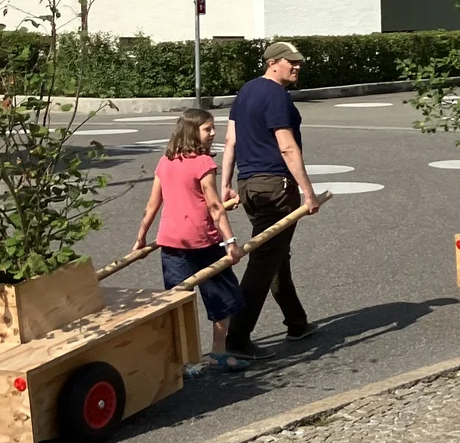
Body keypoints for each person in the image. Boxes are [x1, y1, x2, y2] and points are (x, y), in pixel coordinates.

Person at [220, 41, 321, 356]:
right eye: (292, 62)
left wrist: (227, 184)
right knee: (264, 261)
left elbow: (231, 141)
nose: (297, 67)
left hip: (250, 185)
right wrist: (307, 191)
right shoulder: (276, 95)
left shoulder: (246, 91)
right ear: (273, 62)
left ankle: (297, 322)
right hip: (276, 185)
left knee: (275, 253)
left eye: (299, 62)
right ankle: (236, 338)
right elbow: (287, 146)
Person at [132, 108, 246, 373]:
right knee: (222, 299)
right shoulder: (203, 164)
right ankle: (219, 353)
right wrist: (231, 241)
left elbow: (153, 205)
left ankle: (183, 361)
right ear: (193, 131)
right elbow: (215, 206)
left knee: (178, 301)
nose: (213, 133)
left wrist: (142, 237)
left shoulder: (165, 161)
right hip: (204, 243)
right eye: (208, 129)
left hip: (170, 242)